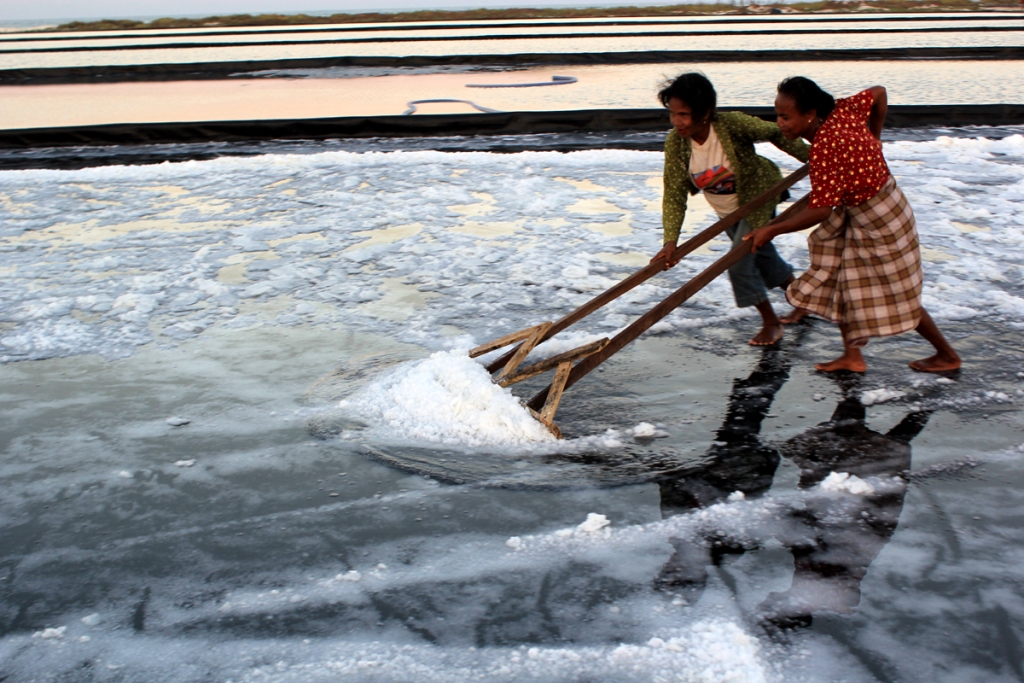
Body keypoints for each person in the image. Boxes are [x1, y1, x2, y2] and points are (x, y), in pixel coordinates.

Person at [746, 77, 961, 373]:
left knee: (898, 292)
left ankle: (947, 355)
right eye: (777, 115)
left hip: (882, 218)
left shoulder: (825, 147)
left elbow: (821, 210)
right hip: (868, 208)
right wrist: (875, 136)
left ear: (810, 114)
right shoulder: (843, 110)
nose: (779, 124)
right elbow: (880, 93)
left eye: (785, 117)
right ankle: (853, 357)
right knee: (842, 280)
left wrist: (772, 229)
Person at [652, 72, 810, 346]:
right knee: (764, 259)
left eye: (684, 114)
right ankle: (804, 302)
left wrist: (817, 159)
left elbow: (776, 131)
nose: (677, 121)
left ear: (705, 112)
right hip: (728, 214)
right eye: (673, 114)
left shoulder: (731, 125)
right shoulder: (677, 143)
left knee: (737, 263)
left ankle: (771, 322)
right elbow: (674, 192)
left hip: (757, 201)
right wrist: (670, 240)